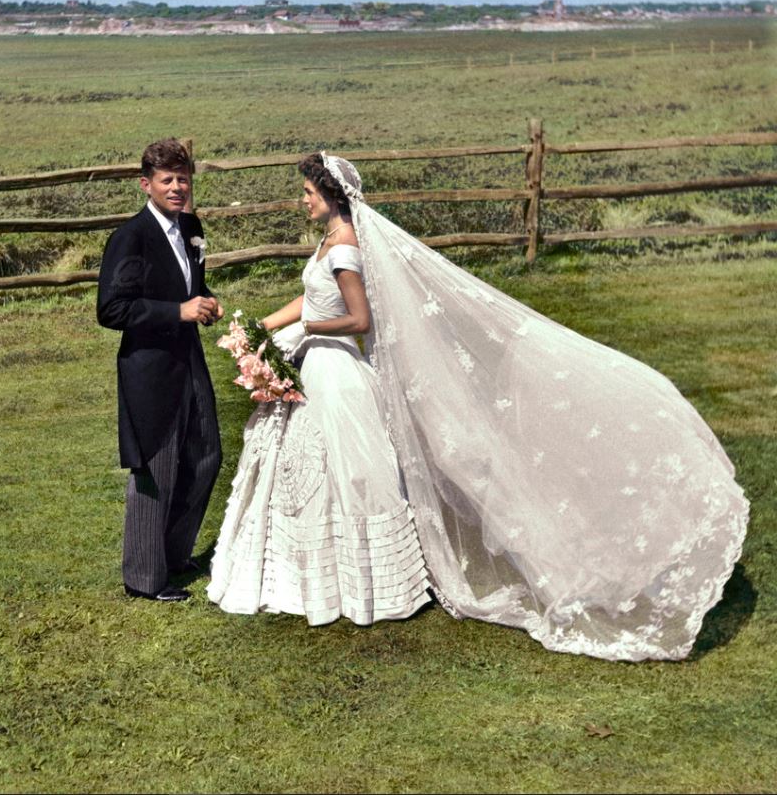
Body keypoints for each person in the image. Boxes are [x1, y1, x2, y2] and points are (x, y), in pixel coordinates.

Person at [207, 152, 750, 661]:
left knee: (346, 471)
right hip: (318, 363)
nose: (302, 200)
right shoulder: (329, 240)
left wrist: (307, 329)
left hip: (337, 367)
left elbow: (358, 319)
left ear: (332, 196)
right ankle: (315, 575)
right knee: (313, 467)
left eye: (308, 192)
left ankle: (363, 583)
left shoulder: (346, 244)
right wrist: (268, 326)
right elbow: (314, 294)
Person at [97, 137, 223, 602]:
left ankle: (173, 555)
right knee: (157, 467)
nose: (177, 188)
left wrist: (204, 302)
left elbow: (190, 283)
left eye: (183, 179)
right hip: (149, 369)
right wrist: (177, 312)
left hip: (188, 358)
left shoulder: (190, 225)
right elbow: (111, 309)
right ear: (145, 184)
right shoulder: (131, 237)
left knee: (207, 455)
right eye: (167, 180)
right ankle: (145, 579)